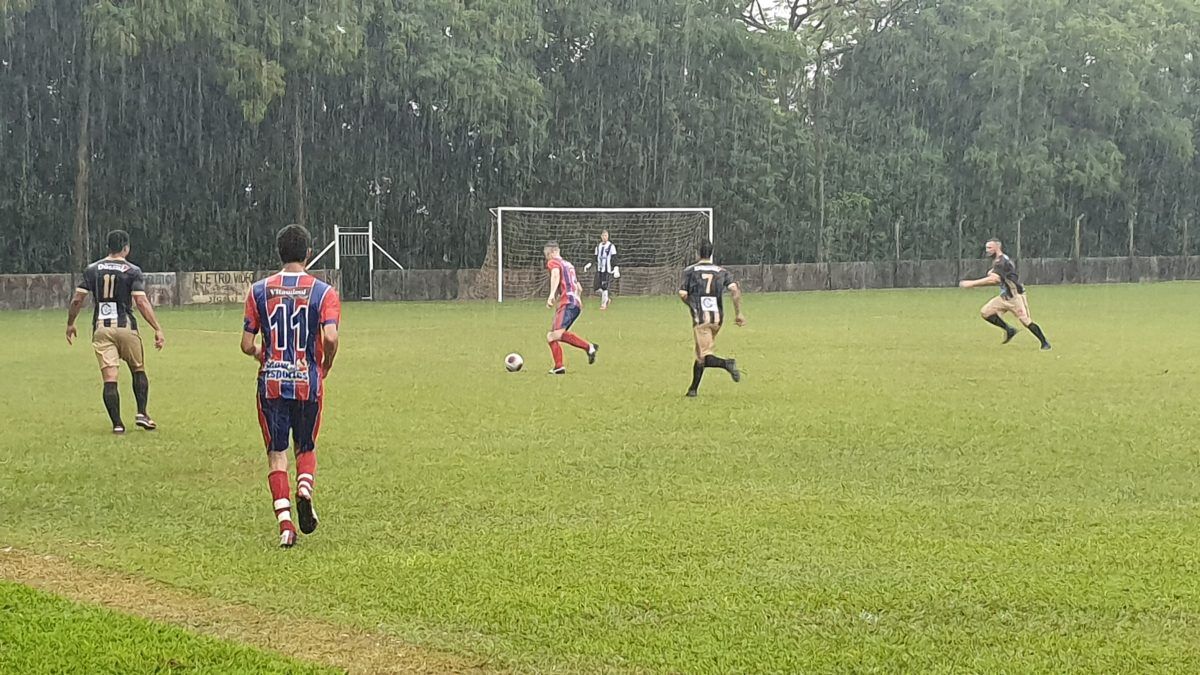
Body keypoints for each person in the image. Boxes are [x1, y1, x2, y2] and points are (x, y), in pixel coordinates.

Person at [241, 224, 341, 548]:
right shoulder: (324, 292)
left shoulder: (259, 291)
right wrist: (326, 363)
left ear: (279, 253)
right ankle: (305, 489)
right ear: (308, 253)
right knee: (306, 446)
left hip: (271, 383)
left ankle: (286, 526)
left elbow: (246, 343)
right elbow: (330, 336)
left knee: (276, 454)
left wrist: (261, 354)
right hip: (307, 381)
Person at [66, 230, 165, 433]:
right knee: (138, 369)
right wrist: (157, 328)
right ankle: (142, 413)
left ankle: (118, 424)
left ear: (108, 247)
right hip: (126, 327)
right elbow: (141, 301)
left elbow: (77, 299)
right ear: (126, 248)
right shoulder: (132, 270)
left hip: (101, 329)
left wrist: (70, 323)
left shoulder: (92, 269)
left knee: (110, 377)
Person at [959, 238, 1051, 350]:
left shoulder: (1001, 262)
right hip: (1004, 296)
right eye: (986, 248)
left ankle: (1045, 343)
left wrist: (971, 284)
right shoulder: (1000, 260)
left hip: (1015, 296)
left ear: (997, 248)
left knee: (1025, 321)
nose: (987, 250)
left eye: (990, 248)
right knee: (986, 312)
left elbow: (994, 280)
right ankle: (1009, 330)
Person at [679, 241, 744, 397]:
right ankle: (692, 390)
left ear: (698, 253)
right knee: (701, 354)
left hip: (701, 318)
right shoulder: (722, 271)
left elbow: (683, 294)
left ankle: (727, 363)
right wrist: (738, 313)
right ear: (711, 253)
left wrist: (691, 305)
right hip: (717, 318)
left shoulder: (690, 271)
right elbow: (734, 290)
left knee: (704, 354)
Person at [544, 241, 598, 374]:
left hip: (567, 302)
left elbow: (556, 275)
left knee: (553, 336)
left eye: (547, 256)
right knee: (556, 335)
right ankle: (560, 365)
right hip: (575, 302)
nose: (548, 259)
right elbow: (578, 287)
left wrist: (551, 294)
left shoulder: (553, 262)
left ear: (551, 253)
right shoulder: (569, 265)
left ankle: (562, 364)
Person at [585, 230, 619, 310]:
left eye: (606, 236)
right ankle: (606, 298)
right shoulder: (598, 246)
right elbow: (595, 257)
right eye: (603, 236)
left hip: (607, 270)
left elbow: (614, 258)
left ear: (608, 236)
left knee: (604, 286)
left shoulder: (611, 246)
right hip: (599, 269)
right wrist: (589, 264)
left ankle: (603, 304)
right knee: (596, 287)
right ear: (601, 236)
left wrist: (616, 267)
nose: (604, 237)